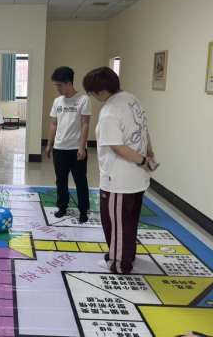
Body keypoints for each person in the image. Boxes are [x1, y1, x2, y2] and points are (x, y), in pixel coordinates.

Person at [82, 67, 157, 274]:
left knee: (116, 224)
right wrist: (149, 155)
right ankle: (128, 256)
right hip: (138, 178)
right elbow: (144, 131)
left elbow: (117, 147)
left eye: (91, 92)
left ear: (101, 90)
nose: (92, 96)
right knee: (129, 221)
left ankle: (118, 263)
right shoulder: (132, 100)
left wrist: (143, 160)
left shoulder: (110, 111)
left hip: (119, 180)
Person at [44, 66, 92, 221]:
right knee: (61, 180)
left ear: (69, 83)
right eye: (55, 85)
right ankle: (62, 206)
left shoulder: (83, 100)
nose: (57, 88)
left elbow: (85, 124)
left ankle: (83, 209)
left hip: (76, 149)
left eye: (59, 85)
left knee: (80, 181)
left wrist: (82, 147)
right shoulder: (57, 101)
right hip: (59, 148)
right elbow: (53, 124)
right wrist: (49, 145)